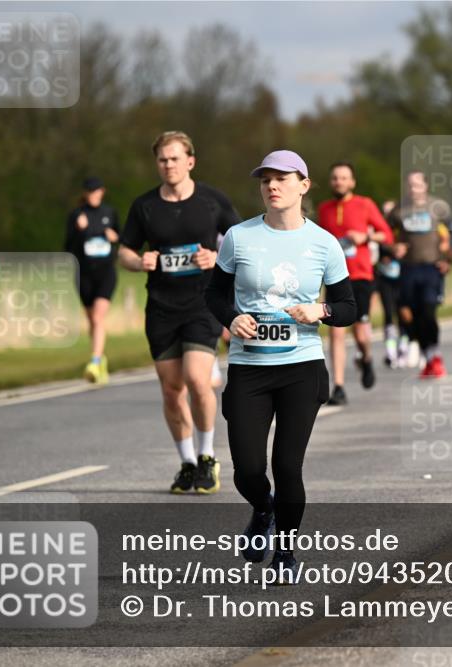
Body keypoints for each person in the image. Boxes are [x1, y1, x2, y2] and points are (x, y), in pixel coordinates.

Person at [206, 150, 356, 581]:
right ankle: (263, 508)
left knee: (287, 466)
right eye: (265, 179)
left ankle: (286, 554)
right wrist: (231, 317)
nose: (272, 186)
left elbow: (349, 307)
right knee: (248, 470)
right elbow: (214, 294)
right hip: (249, 369)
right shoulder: (239, 236)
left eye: (282, 178)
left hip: (301, 368)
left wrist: (320, 311)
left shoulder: (324, 243)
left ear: (303, 186)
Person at [119, 131, 240, 494]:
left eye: (175, 158)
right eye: (162, 160)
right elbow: (123, 251)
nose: (168, 165)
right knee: (172, 390)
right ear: (157, 164)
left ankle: (207, 457)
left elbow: (243, 245)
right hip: (161, 307)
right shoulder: (145, 207)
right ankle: (187, 462)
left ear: (190, 161)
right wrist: (139, 261)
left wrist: (217, 258)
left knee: (198, 379)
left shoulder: (212, 201)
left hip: (203, 303)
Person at [317, 162, 394, 405]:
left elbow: (387, 234)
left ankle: (367, 357)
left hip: (360, 276)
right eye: (335, 178)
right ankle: (338, 386)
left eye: (344, 178)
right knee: (336, 333)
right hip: (334, 278)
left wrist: (366, 236)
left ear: (352, 182)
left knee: (361, 332)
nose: (339, 182)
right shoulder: (324, 209)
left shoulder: (365, 204)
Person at [387, 171, 452, 378]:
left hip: (431, 267)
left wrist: (448, 258)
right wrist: (392, 248)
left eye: (418, 185)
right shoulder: (399, 210)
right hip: (408, 269)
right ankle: (429, 356)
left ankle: (435, 355)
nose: (414, 189)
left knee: (428, 310)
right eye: (411, 185)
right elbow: (385, 234)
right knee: (411, 316)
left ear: (425, 186)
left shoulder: (437, 207)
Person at [65, 177, 120, 384]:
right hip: (83, 274)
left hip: (106, 272)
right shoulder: (77, 215)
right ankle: (100, 358)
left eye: (96, 191)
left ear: (102, 192)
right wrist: (79, 231)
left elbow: (122, 238)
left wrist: (114, 237)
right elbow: (68, 247)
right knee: (92, 320)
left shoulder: (109, 213)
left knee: (98, 317)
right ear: (85, 193)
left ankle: (95, 361)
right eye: (89, 191)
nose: (93, 194)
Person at [376, 199, 409, 368]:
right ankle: (390, 353)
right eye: (386, 211)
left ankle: (403, 348)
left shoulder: (405, 231)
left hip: (403, 278)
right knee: (388, 313)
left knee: (403, 313)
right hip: (385, 278)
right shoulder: (380, 232)